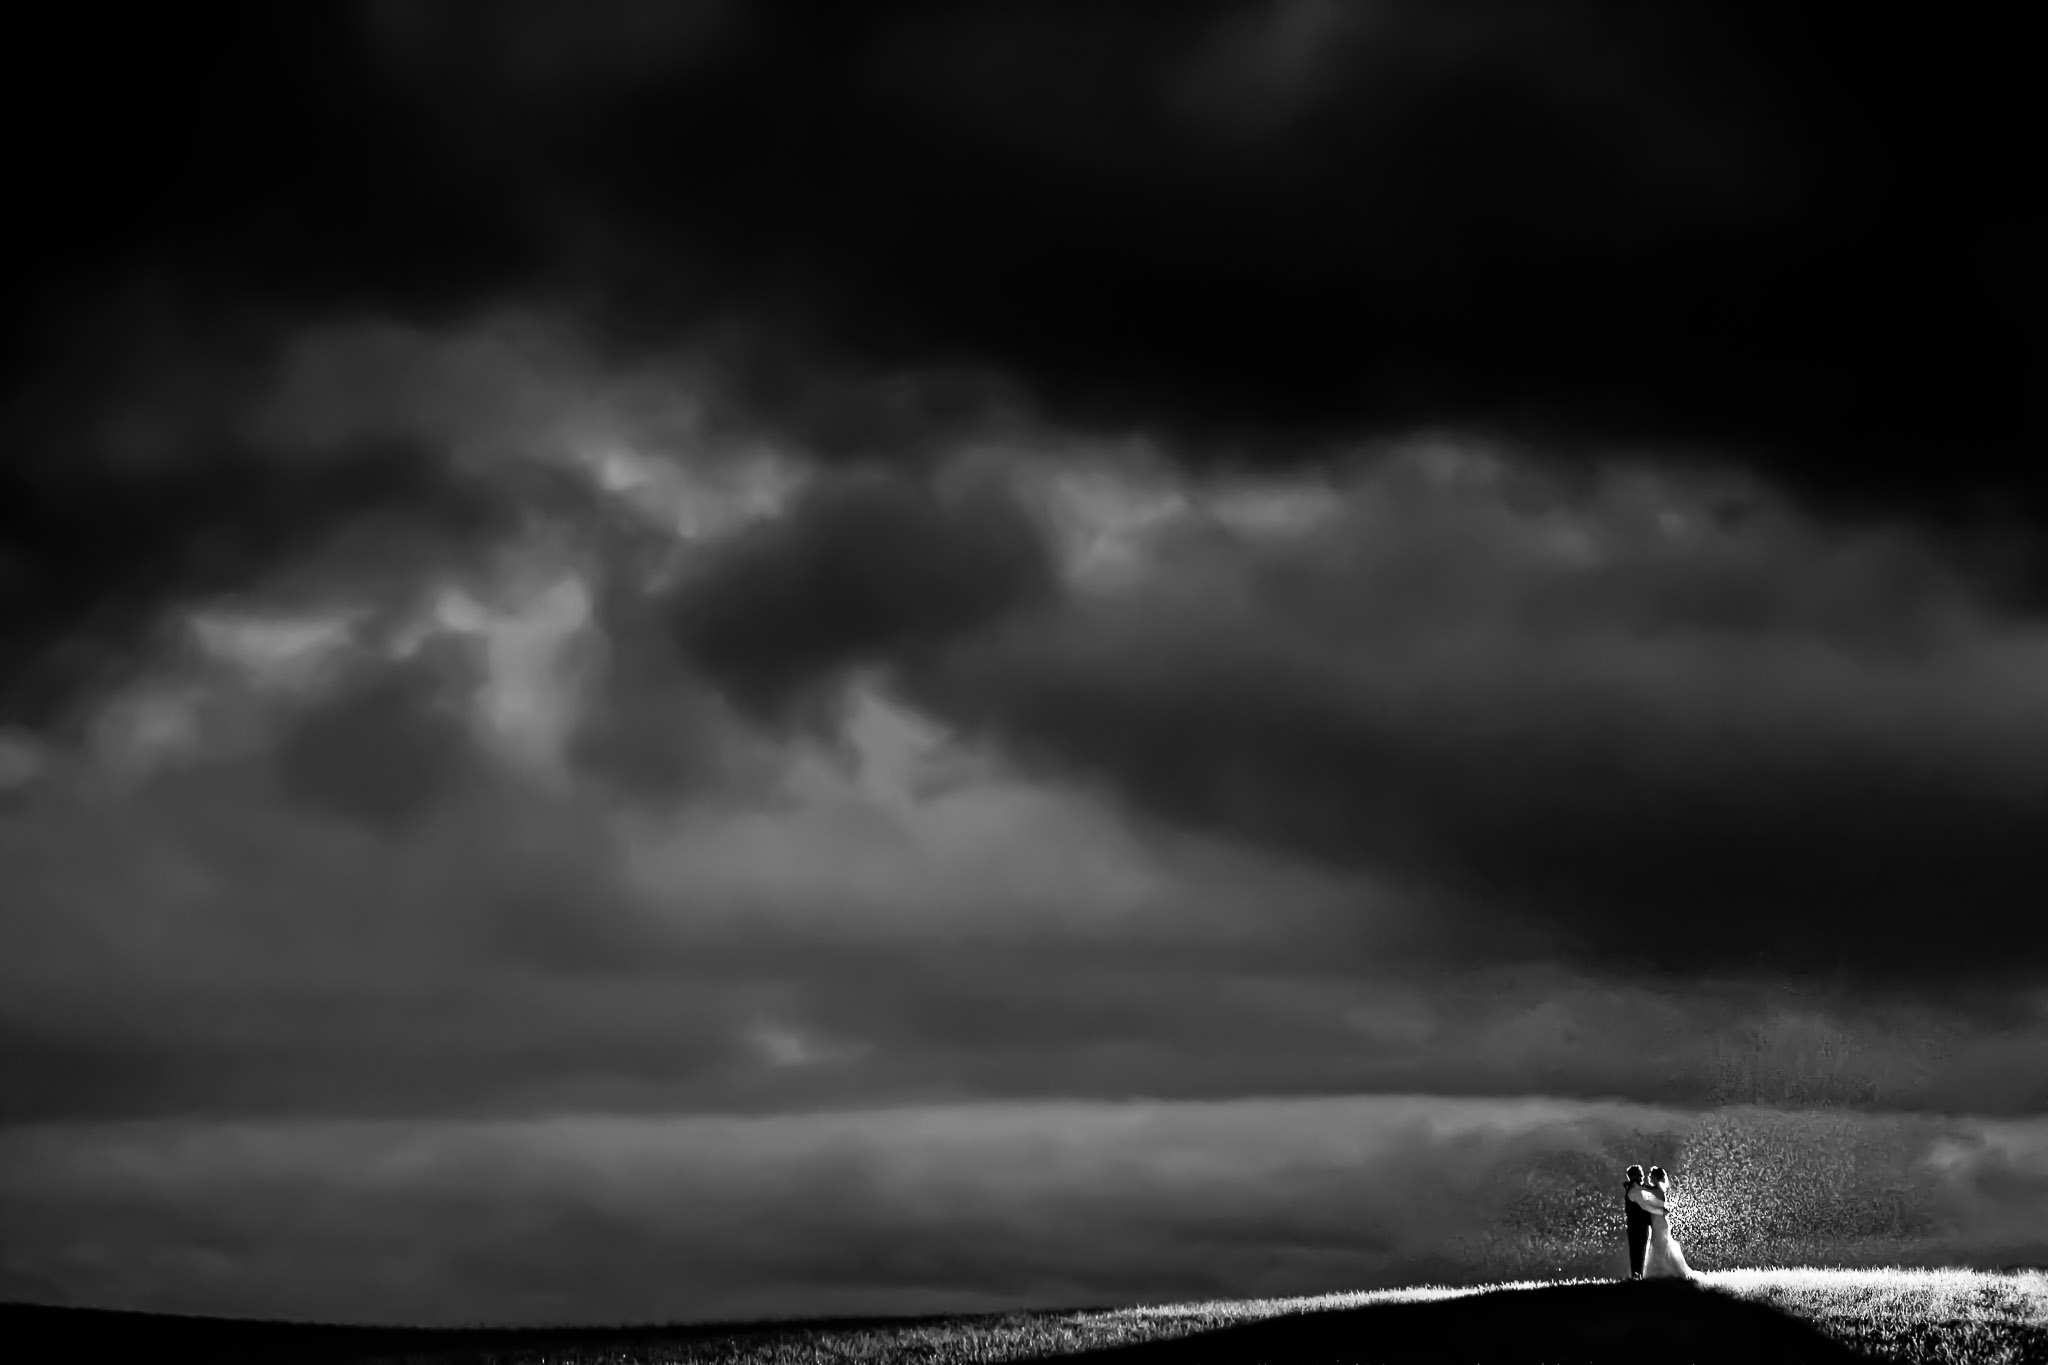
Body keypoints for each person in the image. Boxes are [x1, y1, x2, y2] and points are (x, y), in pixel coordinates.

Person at [1629, 1165, 1698, 1280]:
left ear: (1656, 1178)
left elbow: (1645, 1194)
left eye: (1651, 1176)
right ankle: (1661, 1270)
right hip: (1657, 1221)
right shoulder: (1655, 1189)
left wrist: (1636, 1185)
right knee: (1658, 1244)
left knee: (1659, 1244)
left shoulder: (1657, 1189)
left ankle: (1664, 1270)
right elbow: (1644, 1191)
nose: (1649, 1177)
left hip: (1659, 1221)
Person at [1622, 1164, 1651, 1280]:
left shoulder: (1636, 1188)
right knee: (1638, 1251)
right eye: (1640, 1173)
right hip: (1637, 1225)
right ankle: (1637, 1275)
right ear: (1634, 1176)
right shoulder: (1634, 1190)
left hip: (1637, 1225)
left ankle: (1638, 1275)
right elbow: (1644, 1208)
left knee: (1638, 1251)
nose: (1642, 1175)